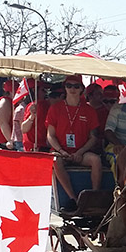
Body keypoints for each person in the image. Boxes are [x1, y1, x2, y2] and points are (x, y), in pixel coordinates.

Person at [46, 75, 103, 211]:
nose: (72, 89)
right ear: (65, 88)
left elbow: (93, 137)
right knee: (55, 160)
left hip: (81, 152)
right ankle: (73, 198)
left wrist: (80, 152)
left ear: (81, 89)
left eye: (76, 86)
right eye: (69, 86)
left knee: (96, 160)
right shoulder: (55, 109)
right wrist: (61, 151)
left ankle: (94, 197)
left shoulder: (89, 110)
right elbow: (50, 135)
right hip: (62, 152)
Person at [22, 83, 59, 152]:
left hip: (47, 146)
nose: (46, 93)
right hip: (35, 148)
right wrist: (32, 116)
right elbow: (24, 129)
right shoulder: (35, 106)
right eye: (43, 90)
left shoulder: (49, 106)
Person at [0, 81, 14, 148]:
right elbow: (3, 123)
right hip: (7, 144)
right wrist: (10, 140)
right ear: (10, 92)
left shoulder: (10, 102)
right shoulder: (4, 103)